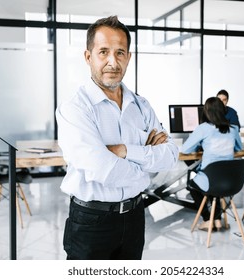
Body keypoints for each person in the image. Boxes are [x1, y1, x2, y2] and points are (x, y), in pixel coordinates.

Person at [55, 16, 179, 260]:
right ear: (88, 57)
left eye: (120, 52)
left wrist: (123, 150)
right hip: (92, 222)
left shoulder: (141, 106)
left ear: (129, 57)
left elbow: (171, 156)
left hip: (135, 217)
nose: (113, 61)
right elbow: (102, 169)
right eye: (103, 52)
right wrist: (146, 165)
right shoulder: (75, 109)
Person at [182, 97, 242, 231]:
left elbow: (185, 150)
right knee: (215, 187)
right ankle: (218, 219)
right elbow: (239, 149)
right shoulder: (233, 129)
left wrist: (201, 144)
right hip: (229, 180)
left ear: (207, 112)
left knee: (193, 187)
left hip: (211, 178)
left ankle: (208, 219)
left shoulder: (203, 128)